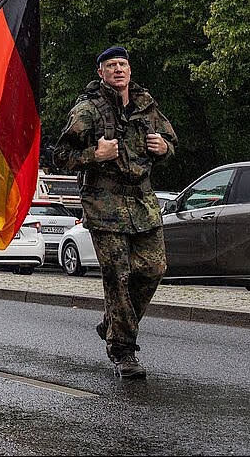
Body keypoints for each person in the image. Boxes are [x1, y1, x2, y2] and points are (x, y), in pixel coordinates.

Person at [53, 45, 176, 380]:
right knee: (118, 277)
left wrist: (164, 148)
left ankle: (111, 322)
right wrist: (95, 154)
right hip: (104, 204)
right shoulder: (88, 110)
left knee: (153, 269)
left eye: (123, 64)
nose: (118, 69)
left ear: (130, 70)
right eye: (111, 65)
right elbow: (60, 155)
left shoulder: (146, 106)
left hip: (142, 202)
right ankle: (123, 351)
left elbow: (171, 143)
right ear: (101, 73)